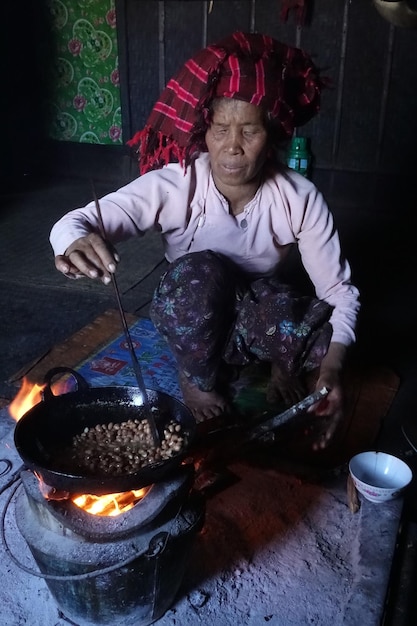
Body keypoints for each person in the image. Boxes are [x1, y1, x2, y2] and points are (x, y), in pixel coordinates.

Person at [50, 32, 360, 449]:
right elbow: (81, 219)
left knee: (324, 337)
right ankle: (196, 378)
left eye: (249, 131)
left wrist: (333, 369)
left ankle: (282, 363)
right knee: (201, 273)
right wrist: (74, 240)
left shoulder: (297, 196)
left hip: (252, 317)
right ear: (203, 132)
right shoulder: (177, 183)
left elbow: (339, 292)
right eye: (220, 130)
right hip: (195, 318)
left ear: (271, 134)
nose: (233, 148)